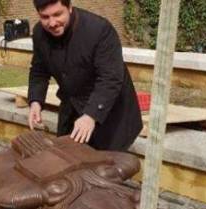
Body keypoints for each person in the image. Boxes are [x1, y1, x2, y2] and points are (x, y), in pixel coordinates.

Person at [27, 0, 143, 151]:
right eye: (45, 17)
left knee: (106, 169)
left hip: (111, 114)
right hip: (72, 106)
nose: (52, 23)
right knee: (66, 159)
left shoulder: (100, 30)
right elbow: (39, 70)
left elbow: (110, 78)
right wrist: (35, 101)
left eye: (57, 14)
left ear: (69, 7)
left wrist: (91, 115)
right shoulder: (39, 33)